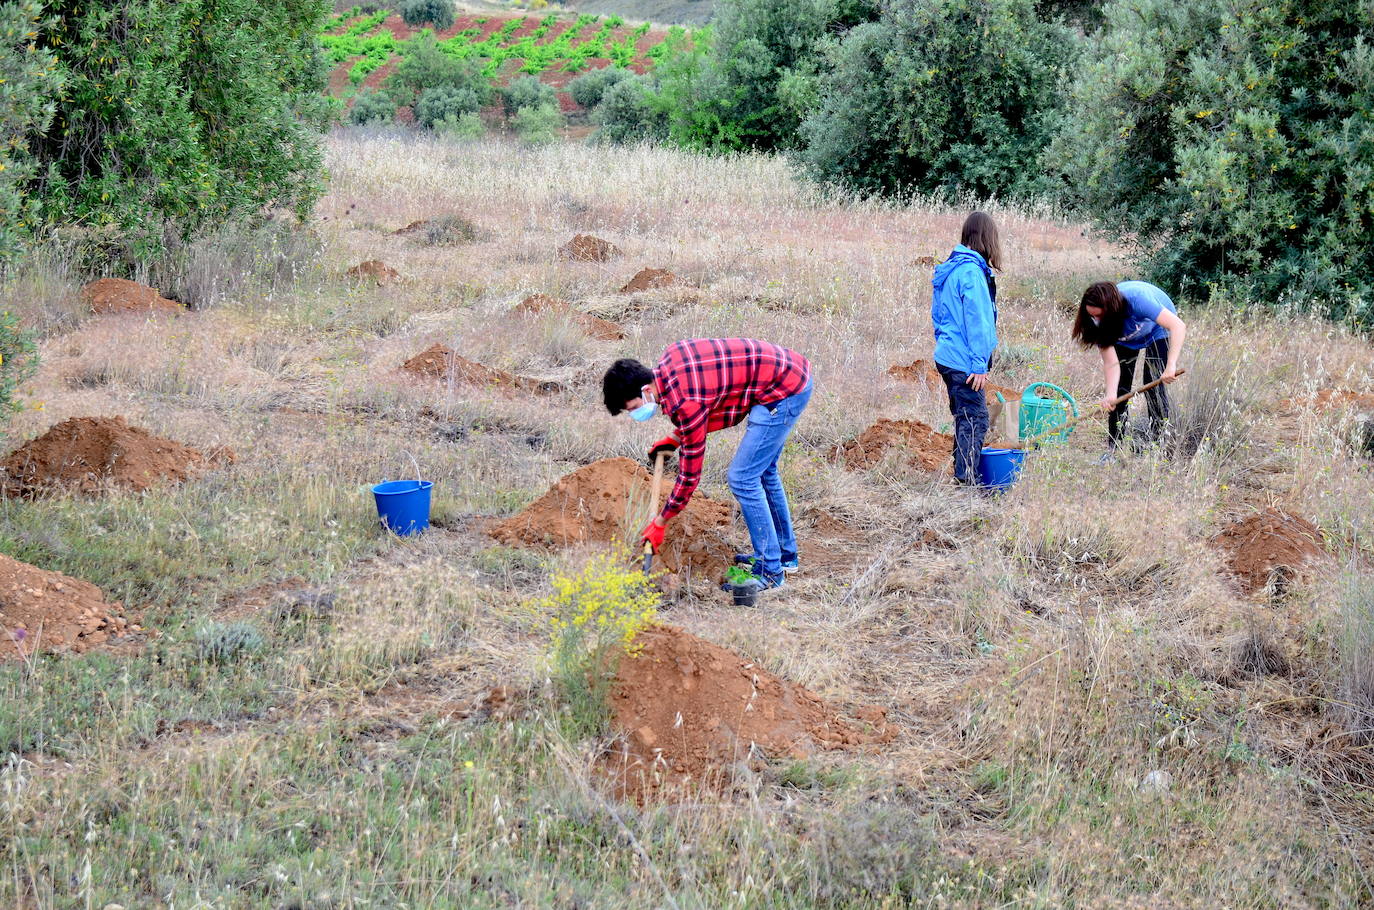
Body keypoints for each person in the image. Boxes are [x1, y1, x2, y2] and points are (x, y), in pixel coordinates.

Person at [602, 338, 813, 596]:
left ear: (646, 389)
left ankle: (771, 571)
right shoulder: (670, 359)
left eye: (634, 407)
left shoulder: (685, 403)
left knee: (743, 478)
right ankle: (784, 556)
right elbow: (711, 403)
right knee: (764, 471)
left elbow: (690, 477)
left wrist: (660, 522)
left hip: (784, 390)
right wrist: (676, 438)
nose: (636, 414)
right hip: (785, 371)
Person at [1071, 280, 1187, 450]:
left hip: (1157, 330)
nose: (1095, 320)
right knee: (1119, 391)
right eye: (1092, 316)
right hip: (1126, 337)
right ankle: (1114, 448)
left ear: (1112, 309)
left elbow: (1178, 325)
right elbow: (1111, 363)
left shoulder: (1138, 300)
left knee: (1152, 385)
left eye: (1099, 316)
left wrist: (1170, 366)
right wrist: (1110, 395)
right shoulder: (1098, 322)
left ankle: (1158, 444)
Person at [931, 212, 1000, 484]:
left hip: (947, 355)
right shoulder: (971, 272)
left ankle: (962, 475)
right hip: (963, 361)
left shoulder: (952, 267)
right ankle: (966, 483)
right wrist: (978, 364)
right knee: (976, 420)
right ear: (987, 238)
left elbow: (937, 314)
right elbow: (979, 322)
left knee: (964, 417)